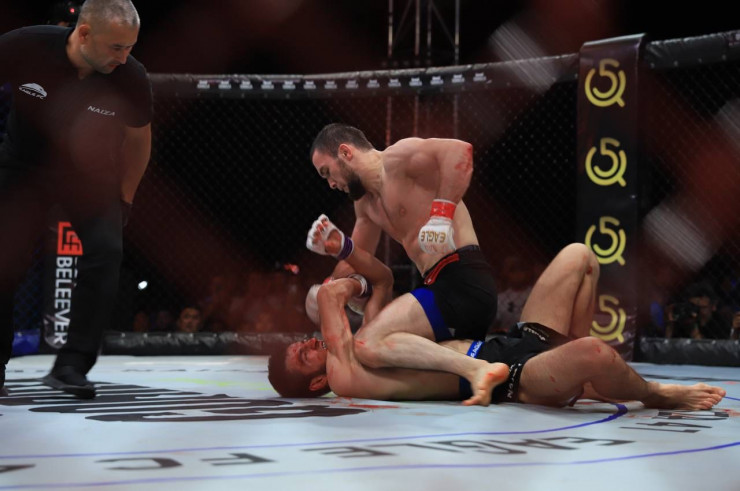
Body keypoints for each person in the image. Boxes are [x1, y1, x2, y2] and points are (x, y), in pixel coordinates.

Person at [270, 225, 726, 410]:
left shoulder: (365, 342)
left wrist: (347, 251)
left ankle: (581, 382)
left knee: (580, 255)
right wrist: (353, 286)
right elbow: (330, 293)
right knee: (595, 352)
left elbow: (384, 279)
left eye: (301, 343)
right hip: (517, 377)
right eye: (303, 355)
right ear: (317, 382)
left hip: (503, 344)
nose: (309, 343)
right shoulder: (345, 372)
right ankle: (653, 394)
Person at [0, 0, 152, 399]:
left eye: (130, 47)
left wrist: (125, 198)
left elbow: (139, 140)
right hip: (24, 166)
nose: (124, 57)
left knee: (106, 251)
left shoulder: (130, 76)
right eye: (116, 47)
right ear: (84, 34)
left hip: (90, 177)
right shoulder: (26, 46)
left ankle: (72, 366)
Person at [309, 124, 497, 373]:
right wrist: (328, 281)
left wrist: (441, 215)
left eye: (327, 173)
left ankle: (476, 368)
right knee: (380, 361)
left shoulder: (397, 159)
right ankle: (482, 364)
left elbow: (460, 151)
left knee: (368, 343)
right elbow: (358, 261)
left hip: (465, 281)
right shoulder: (365, 204)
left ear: (345, 152)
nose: (331, 184)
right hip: (436, 289)